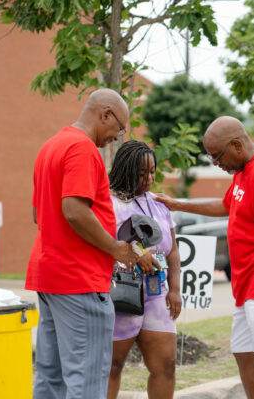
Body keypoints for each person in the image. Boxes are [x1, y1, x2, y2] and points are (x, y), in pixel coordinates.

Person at [155, 116, 254, 399]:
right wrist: (176, 204)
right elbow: (226, 205)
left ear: (237, 145)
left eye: (217, 156)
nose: (216, 163)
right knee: (243, 351)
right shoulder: (244, 171)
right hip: (247, 284)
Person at [26, 88, 140, 399]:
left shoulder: (51, 146)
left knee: (51, 377)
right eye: (119, 128)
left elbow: (39, 214)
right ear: (105, 114)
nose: (117, 137)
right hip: (79, 280)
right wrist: (117, 248)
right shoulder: (82, 149)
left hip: (50, 276)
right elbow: (74, 210)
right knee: (86, 380)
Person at [106, 140, 182, 399]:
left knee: (166, 365)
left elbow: (172, 250)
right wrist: (137, 253)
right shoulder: (110, 203)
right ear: (126, 169)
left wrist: (175, 290)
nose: (149, 178)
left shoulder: (159, 203)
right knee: (112, 366)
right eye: (142, 173)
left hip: (156, 293)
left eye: (152, 172)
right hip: (121, 293)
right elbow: (105, 242)